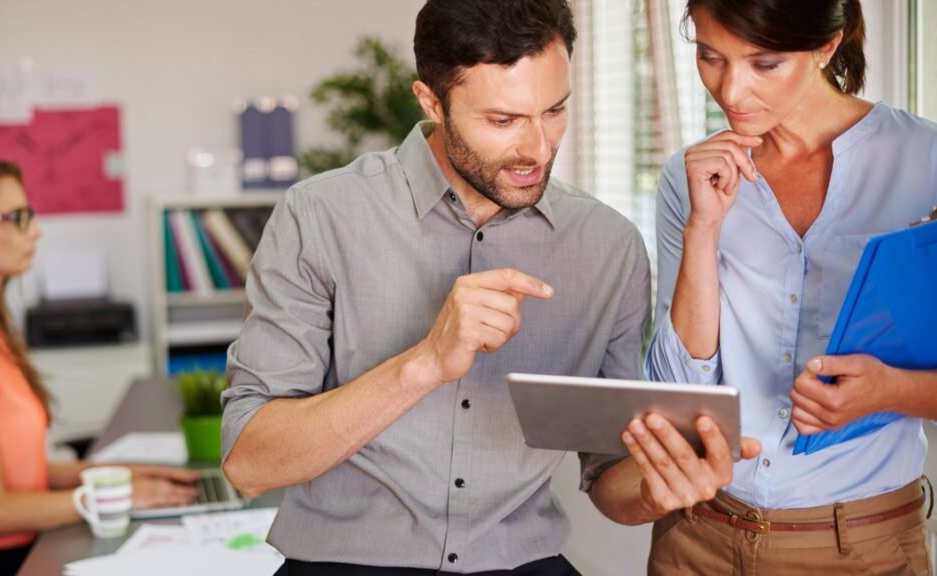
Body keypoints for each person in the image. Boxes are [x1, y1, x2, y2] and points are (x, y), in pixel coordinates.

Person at [221, 0, 651, 573]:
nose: (539, 149)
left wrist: (660, 488)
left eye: (554, 110)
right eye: (502, 121)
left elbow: (609, 475)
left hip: (522, 562)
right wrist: (424, 363)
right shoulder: (320, 216)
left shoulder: (610, 246)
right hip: (343, 563)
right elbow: (250, 464)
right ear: (431, 102)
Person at [588, 0, 937, 574]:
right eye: (710, 57)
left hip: (860, 548)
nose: (731, 90)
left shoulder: (925, 163)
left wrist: (890, 391)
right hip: (697, 539)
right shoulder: (691, 175)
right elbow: (678, 390)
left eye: (764, 64)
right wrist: (704, 228)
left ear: (826, 46)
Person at [0, 158, 200, 576]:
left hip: (9, 554)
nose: (35, 230)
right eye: (17, 217)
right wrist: (114, 497)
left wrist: (111, 474)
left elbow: (12, 472)